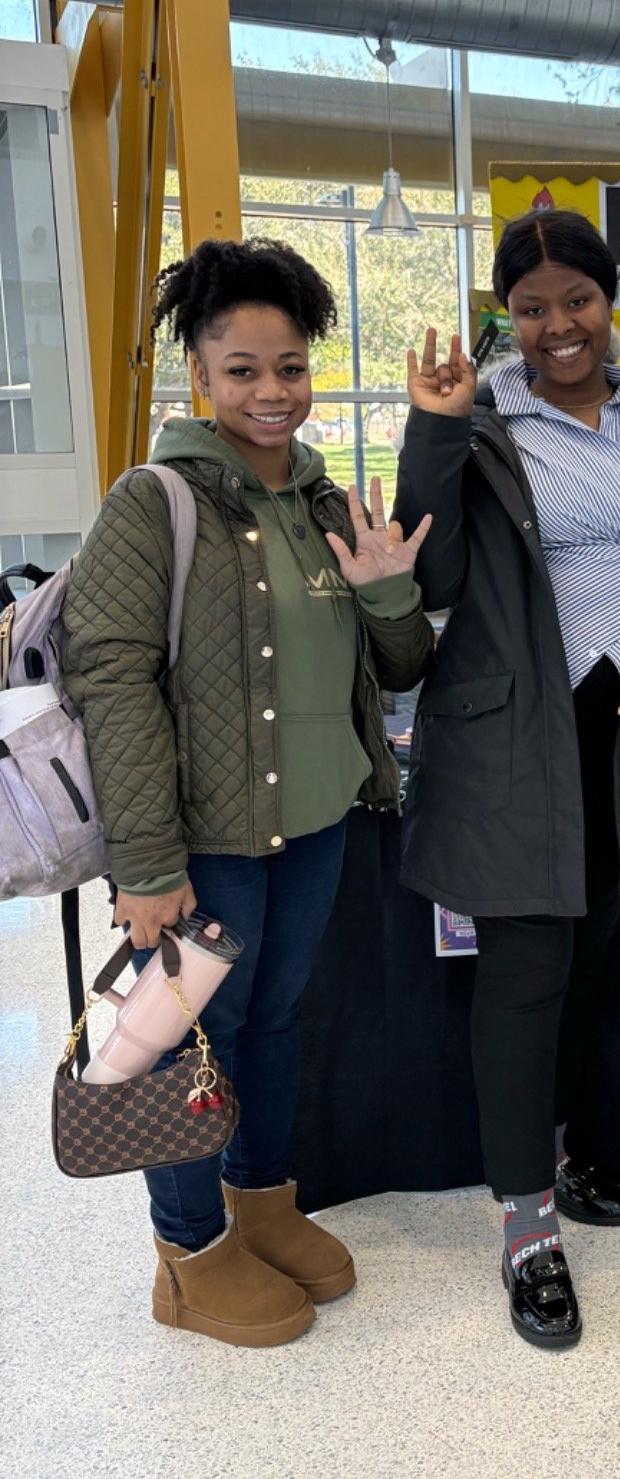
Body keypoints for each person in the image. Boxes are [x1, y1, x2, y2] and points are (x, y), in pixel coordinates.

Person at [64, 239, 434, 1347]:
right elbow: (113, 680)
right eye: (242, 369)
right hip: (201, 839)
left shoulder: (319, 496)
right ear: (199, 372)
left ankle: (262, 1198)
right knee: (183, 1042)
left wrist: (384, 591)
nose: (271, 392)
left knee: (272, 1021)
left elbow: (402, 663)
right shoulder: (154, 500)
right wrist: (146, 866)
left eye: (289, 366)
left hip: (315, 820)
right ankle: (187, 1253)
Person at [394, 206, 620, 1350]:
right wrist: (433, 427)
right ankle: (527, 1225)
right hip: (510, 739)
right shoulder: (482, 420)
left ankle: (561, 1141)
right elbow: (429, 566)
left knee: (592, 951)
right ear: (509, 314)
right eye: (531, 306)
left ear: (610, 301)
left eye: (577, 299)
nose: (557, 326)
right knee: (527, 973)